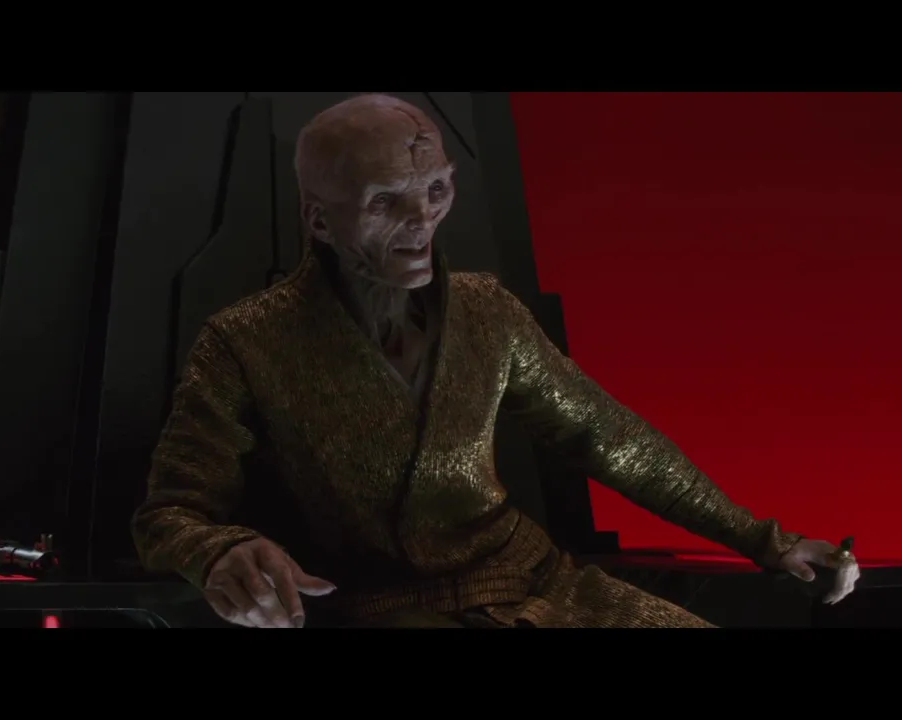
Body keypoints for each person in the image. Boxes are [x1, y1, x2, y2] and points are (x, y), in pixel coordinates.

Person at [131, 93, 860, 628]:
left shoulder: (488, 312)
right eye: (386, 202)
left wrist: (766, 540)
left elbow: (608, 437)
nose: (422, 220)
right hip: (386, 607)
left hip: (537, 583)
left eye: (436, 189)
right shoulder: (247, 341)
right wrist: (219, 551)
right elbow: (171, 511)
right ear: (320, 219)